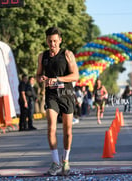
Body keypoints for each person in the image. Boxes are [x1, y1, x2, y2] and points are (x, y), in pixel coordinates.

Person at [36, 27, 79, 176]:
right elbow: (38, 75)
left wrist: (59, 79)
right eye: (49, 41)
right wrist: (41, 78)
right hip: (51, 95)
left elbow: (75, 76)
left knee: (67, 131)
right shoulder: (42, 56)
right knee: (51, 128)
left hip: (66, 94)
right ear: (46, 41)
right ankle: (55, 162)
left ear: (60, 40)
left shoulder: (67, 54)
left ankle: (65, 161)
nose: (52, 44)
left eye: (55, 41)